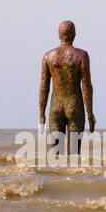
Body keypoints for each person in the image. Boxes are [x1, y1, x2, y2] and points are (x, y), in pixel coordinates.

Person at [38, 20, 95, 156]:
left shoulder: (48, 57)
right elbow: (86, 86)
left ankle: (58, 177)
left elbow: (43, 86)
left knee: (56, 156)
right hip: (74, 107)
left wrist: (41, 114)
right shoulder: (81, 56)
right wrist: (90, 114)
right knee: (74, 155)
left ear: (59, 35)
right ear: (74, 34)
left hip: (55, 108)